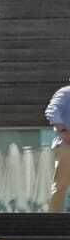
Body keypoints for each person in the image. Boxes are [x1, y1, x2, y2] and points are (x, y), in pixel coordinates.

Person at [48, 83, 69, 213]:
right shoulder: (66, 92)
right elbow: (52, 111)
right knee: (61, 185)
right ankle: (52, 222)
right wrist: (64, 131)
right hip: (68, 145)